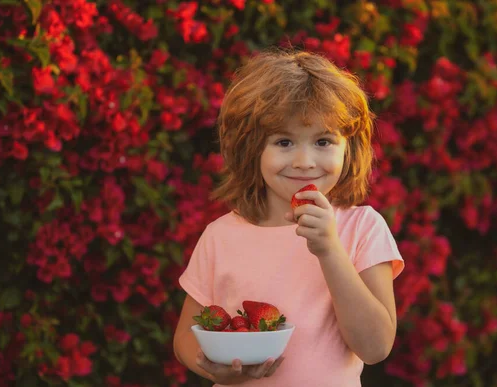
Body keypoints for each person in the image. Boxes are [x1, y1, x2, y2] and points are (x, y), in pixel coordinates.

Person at [173, 49, 404, 386]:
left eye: (323, 141)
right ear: (251, 149)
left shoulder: (362, 229)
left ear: (347, 148)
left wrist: (329, 250)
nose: (304, 161)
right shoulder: (220, 236)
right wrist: (210, 364)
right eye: (284, 141)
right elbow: (185, 338)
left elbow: (375, 346)